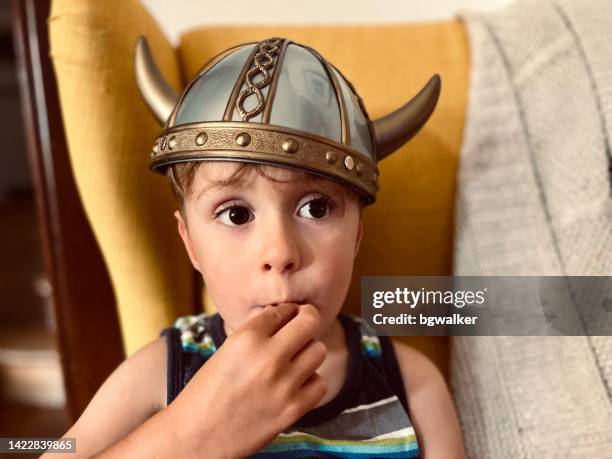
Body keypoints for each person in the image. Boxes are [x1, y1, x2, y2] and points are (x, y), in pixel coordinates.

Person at [46, 36, 465, 458]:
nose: (279, 253)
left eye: (316, 208)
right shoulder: (159, 372)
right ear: (190, 243)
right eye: (236, 215)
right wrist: (187, 434)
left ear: (357, 235)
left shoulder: (412, 383)